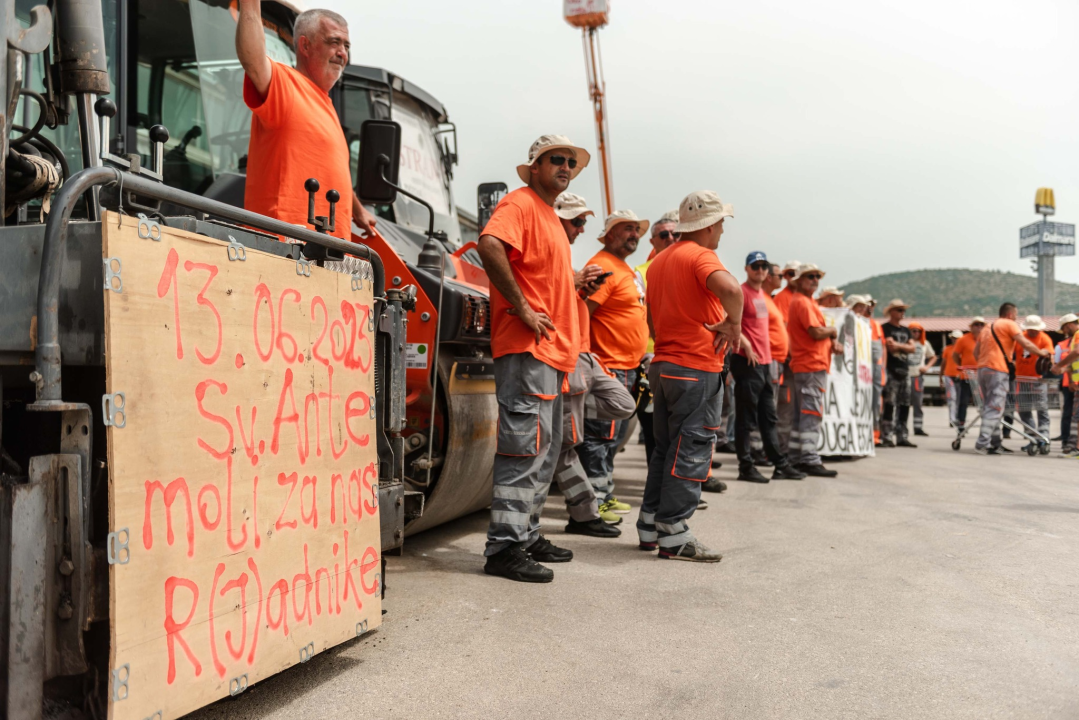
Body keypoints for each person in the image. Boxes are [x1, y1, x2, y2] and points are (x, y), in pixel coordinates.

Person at [476, 134, 590, 583]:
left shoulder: (548, 216)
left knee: (543, 451)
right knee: (524, 450)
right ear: (535, 167)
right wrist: (522, 308)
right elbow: (489, 245)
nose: (564, 167)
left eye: (569, 162)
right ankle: (504, 547)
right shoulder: (520, 205)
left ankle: (525, 535)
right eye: (555, 160)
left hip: (552, 353)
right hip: (529, 349)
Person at [638, 190, 742, 562]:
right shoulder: (700, 255)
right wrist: (734, 324)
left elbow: (651, 318)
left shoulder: (661, 260)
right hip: (696, 366)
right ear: (711, 225)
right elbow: (731, 288)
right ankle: (674, 533)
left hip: (665, 365)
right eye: (721, 225)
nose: (722, 233)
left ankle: (650, 525)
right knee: (692, 450)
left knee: (665, 450)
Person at [236, 4, 376, 237]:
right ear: (305, 45)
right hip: (286, 248)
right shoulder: (286, 84)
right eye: (334, 42)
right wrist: (250, 5)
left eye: (346, 45)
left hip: (328, 253)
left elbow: (329, 169)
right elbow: (253, 59)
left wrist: (357, 209)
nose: (343, 53)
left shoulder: (326, 106)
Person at [551, 191, 635, 534]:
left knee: (623, 405)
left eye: (584, 221)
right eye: (576, 221)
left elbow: (572, 306)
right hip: (569, 358)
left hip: (587, 358)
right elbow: (542, 299)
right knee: (566, 446)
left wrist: (579, 287)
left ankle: (571, 417)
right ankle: (584, 514)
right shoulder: (556, 260)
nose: (581, 228)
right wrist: (575, 284)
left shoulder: (565, 261)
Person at [578, 210, 650, 517]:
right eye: (626, 229)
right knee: (598, 437)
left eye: (636, 229)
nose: (634, 234)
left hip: (626, 367)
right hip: (607, 366)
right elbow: (583, 311)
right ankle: (595, 501)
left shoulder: (624, 268)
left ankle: (604, 492)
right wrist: (587, 358)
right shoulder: (602, 266)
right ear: (609, 234)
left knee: (611, 439)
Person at [731, 252, 806, 483]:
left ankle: (780, 464)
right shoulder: (741, 292)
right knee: (746, 417)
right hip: (747, 361)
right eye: (756, 266)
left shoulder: (763, 295)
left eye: (764, 266)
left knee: (768, 416)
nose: (760, 270)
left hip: (765, 363)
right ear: (747, 268)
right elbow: (730, 322)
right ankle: (745, 466)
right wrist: (746, 346)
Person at [633, 209, 680, 466]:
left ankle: (682, 484)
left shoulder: (689, 263)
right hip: (652, 360)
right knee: (654, 428)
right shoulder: (641, 272)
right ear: (653, 241)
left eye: (676, 233)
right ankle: (657, 489)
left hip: (684, 359)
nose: (671, 238)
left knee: (681, 427)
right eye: (664, 235)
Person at [973, 303, 1050, 455]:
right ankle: (983, 442)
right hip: (997, 369)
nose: (1016, 317)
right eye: (1016, 314)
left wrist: (985, 363)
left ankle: (995, 443)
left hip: (983, 369)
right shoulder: (1009, 324)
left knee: (991, 407)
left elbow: (976, 352)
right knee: (995, 407)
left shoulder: (987, 327)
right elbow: (1025, 343)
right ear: (1009, 314)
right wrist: (1041, 353)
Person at [786, 263, 840, 477]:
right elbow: (815, 332)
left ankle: (797, 456)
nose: (815, 280)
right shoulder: (803, 303)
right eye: (810, 276)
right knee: (810, 413)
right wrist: (833, 331)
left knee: (803, 414)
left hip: (807, 365)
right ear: (799, 280)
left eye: (817, 276)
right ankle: (808, 458)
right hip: (810, 365)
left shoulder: (804, 301)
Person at [880, 299, 917, 448]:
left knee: (905, 404)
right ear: (891, 312)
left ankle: (902, 435)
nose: (903, 313)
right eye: (899, 310)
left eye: (903, 310)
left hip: (905, 370)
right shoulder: (885, 328)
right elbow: (890, 347)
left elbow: (913, 348)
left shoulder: (906, 330)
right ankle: (887, 436)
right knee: (889, 403)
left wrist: (899, 346)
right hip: (891, 369)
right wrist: (904, 346)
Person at [1014, 315, 1053, 452]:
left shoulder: (1044, 338)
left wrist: (1043, 352)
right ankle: (1032, 438)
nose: (1033, 332)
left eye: (1035, 330)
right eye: (1030, 329)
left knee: (1042, 409)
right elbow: (1010, 352)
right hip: (1021, 379)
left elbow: (1048, 350)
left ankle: (1043, 439)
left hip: (1038, 379)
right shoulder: (1020, 337)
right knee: (1023, 410)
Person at [951, 316, 985, 435]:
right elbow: (955, 355)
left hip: (982, 376)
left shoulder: (986, 339)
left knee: (983, 402)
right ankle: (961, 423)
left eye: (981, 325)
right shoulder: (963, 339)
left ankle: (987, 425)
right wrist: (962, 365)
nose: (979, 327)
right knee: (963, 401)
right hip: (967, 376)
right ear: (971, 327)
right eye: (976, 324)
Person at [907, 321, 938, 437]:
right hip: (905, 375)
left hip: (917, 376)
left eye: (918, 331)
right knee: (902, 403)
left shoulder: (924, 344)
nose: (916, 333)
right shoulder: (905, 343)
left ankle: (918, 427)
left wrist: (927, 367)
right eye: (913, 331)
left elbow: (933, 357)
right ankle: (899, 426)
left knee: (918, 403)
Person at [1054, 313, 1078, 452]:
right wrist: (1063, 369)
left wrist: (1059, 366)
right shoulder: (1074, 337)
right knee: (1074, 414)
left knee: (1076, 415)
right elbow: (1074, 363)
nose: (1064, 332)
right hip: (1075, 382)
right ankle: (1072, 444)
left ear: (1068, 325)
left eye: (1064, 328)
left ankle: (1075, 447)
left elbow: (1076, 353)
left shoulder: (1078, 334)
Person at [940, 329, 964, 429]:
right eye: (953, 338)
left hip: (960, 376)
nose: (955, 340)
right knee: (952, 398)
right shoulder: (947, 349)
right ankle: (952, 419)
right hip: (949, 375)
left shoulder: (963, 350)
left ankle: (959, 418)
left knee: (959, 399)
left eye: (957, 338)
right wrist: (940, 376)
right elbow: (943, 363)